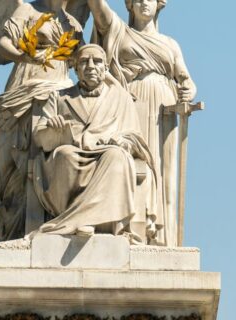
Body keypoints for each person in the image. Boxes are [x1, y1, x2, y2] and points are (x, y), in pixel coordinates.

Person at [0, 0, 89, 242]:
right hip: (25, 87)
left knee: (48, 159)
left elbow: (84, 58)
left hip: (59, 91)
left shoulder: (72, 22)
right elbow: (3, 42)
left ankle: (44, 221)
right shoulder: (27, 10)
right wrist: (24, 56)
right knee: (6, 162)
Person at [86, 0, 197, 246]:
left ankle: (163, 237)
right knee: (135, 164)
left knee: (164, 170)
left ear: (159, 5)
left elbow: (186, 80)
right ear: (129, 5)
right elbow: (99, 10)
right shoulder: (119, 31)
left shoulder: (170, 44)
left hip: (164, 108)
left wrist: (188, 91)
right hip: (130, 103)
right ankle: (130, 226)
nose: (144, 3)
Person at [30, 44, 159, 240]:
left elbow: (134, 137)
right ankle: (77, 218)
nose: (90, 66)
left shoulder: (121, 98)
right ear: (75, 68)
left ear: (105, 67)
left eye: (97, 61)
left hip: (105, 153)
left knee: (117, 156)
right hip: (71, 153)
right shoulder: (59, 97)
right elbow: (39, 137)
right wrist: (51, 128)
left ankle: (85, 220)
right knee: (65, 155)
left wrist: (122, 141)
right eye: (84, 62)